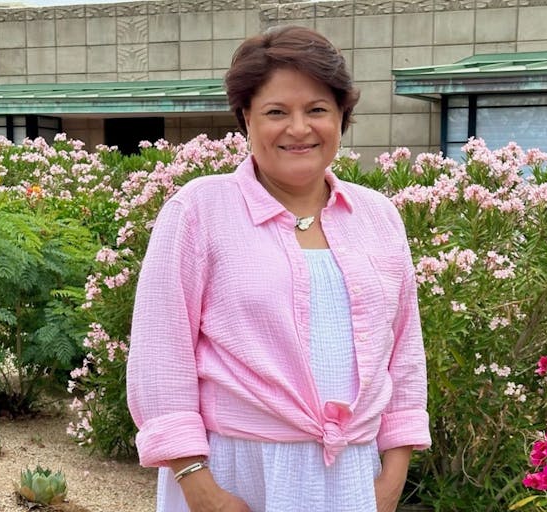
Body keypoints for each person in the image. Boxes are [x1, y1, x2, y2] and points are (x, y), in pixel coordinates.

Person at [126, 25, 431, 512]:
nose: (298, 129)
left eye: (316, 110)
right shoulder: (199, 211)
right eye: (276, 112)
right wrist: (201, 488)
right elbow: (160, 358)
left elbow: (404, 358)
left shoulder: (379, 217)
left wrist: (391, 480)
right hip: (236, 473)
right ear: (246, 117)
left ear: (341, 117)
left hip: (354, 477)